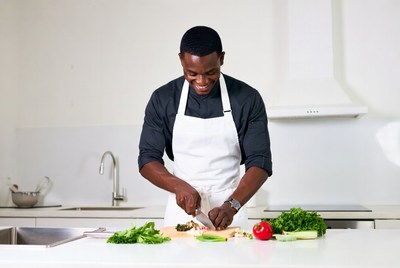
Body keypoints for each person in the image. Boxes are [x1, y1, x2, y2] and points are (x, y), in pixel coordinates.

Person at [138, 26, 272, 230]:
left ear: (222, 58)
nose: (201, 81)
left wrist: (232, 205)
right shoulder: (163, 99)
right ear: (181, 60)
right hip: (181, 214)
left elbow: (260, 161)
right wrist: (178, 186)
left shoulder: (247, 99)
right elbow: (147, 158)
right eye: (191, 73)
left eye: (211, 72)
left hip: (231, 210)